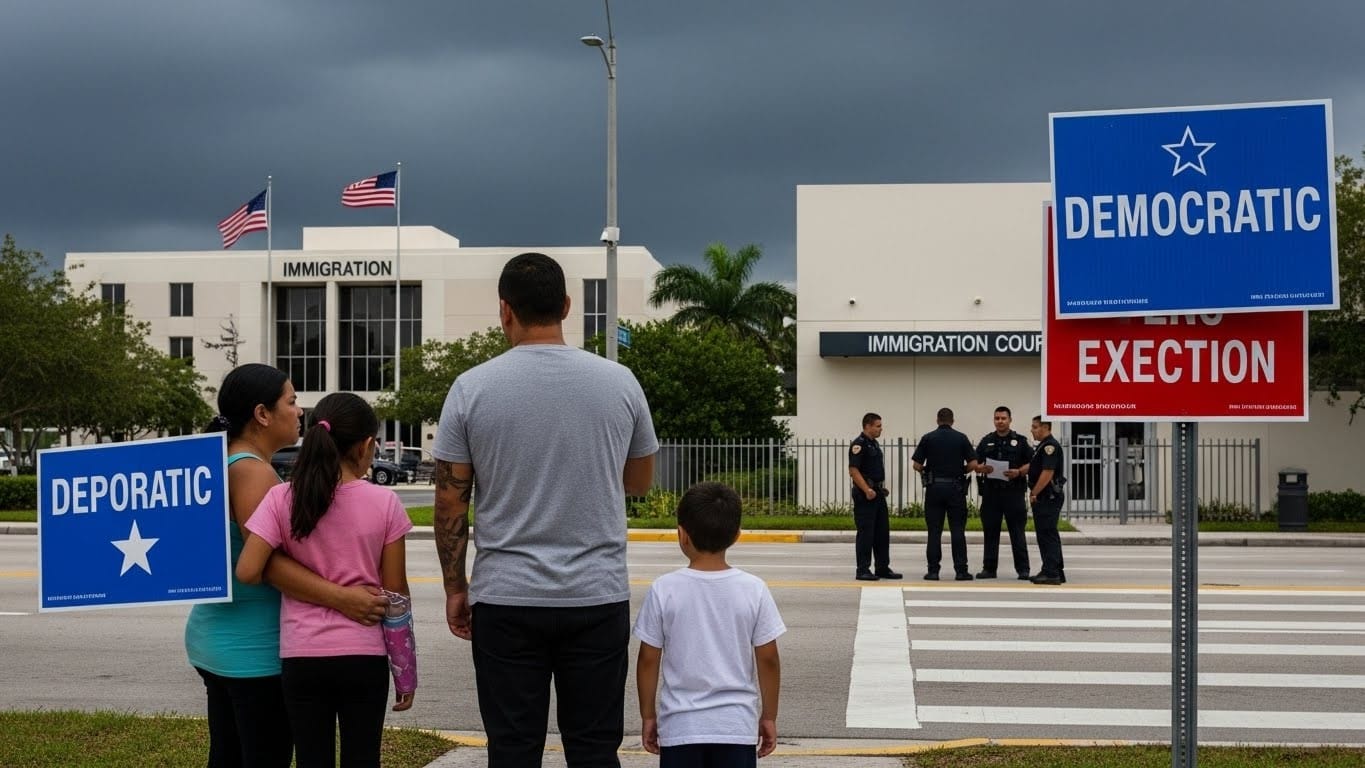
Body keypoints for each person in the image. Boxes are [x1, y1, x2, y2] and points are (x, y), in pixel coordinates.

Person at [431, 252, 659, 767]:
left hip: (505, 598)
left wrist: (455, 588)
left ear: (505, 310)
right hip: (596, 595)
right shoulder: (620, 382)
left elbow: (450, 501)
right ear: (567, 306)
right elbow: (639, 482)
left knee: (512, 750)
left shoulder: (471, 388)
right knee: (594, 750)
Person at [185, 364, 389, 768]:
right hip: (252, 650)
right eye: (291, 401)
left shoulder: (225, 460)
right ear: (262, 414)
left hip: (218, 639)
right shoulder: (252, 472)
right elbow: (264, 564)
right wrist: (343, 598)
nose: (299, 411)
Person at [236, 392, 413, 767]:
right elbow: (395, 593)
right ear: (366, 445)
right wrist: (405, 673)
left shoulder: (281, 498)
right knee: (363, 758)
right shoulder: (385, 503)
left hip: (302, 657)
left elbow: (248, 570)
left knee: (311, 758)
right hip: (363, 657)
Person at [634, 482, 785, 767]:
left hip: (681, 727)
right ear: (737, 535)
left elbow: (647, 659)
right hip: (735, 726)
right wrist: (769, 716)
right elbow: (768, 659)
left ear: (682, 534)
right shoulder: (754, 589)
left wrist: (648, 716)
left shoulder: (664, 589)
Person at [911, 407, 981, 581]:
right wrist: (961, 470)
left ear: (937, 420)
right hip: (955, 489)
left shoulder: (928, 438)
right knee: (957, 530)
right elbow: (973, 464)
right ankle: (961, 570)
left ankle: (933, 571)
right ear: (952, 421)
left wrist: (928, 471)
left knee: (934, 532)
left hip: (934, 489)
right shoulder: (961, 438)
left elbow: (917, 465)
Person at [974, 406, 1034, 580]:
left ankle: (1023, 569)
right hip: (991, 494)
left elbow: (1033, 463)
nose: (1000, 421)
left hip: (1013, 493)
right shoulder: (986, 441)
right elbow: (974, 463)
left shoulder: (1020, 441)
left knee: (1017, 533)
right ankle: (989, 569)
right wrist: (981, 468)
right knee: (990, 532)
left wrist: (1019, 472)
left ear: (1010, 420)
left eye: (1003, 418)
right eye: (997, 418)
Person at [848, 412, 901, 581]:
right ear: (868, 426)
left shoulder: (874, 444)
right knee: (866, 533)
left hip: (876, 493)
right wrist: (866, 490)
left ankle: (882, 567)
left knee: (882, 532)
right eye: (878, 426)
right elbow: (853, 470)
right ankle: (862, 569)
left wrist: (878, 489)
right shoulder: (859, 444)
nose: (881, 429)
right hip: (865, 495)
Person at [1027, 416, 1067, 586]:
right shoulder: (1043, 446)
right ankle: (1055, 569)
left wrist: (1034, 492)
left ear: (1045, 427)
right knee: (1049, 533)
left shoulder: (1049, 446)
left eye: (1035, 427)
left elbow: (1047, 472)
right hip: (1047, 496)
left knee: (1046, 535)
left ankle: (1051, 573)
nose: (1032, 430)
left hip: (1047, 496)